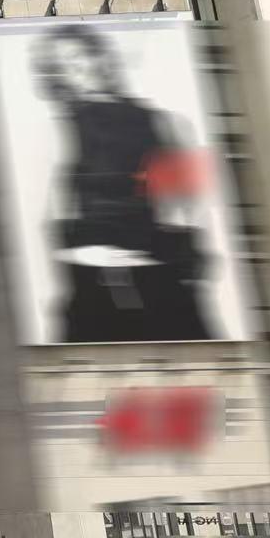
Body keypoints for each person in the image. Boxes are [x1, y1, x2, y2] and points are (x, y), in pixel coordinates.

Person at [35, 24, 217, 342]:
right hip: (92, 287)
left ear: (100, 57)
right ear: (57, 78)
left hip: (158, 282)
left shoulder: (163, 122)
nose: (77, 70)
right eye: (62, 67)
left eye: (80, 57)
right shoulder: (61, 130)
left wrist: (182, 264)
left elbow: (187, 207)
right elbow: (53, 218)